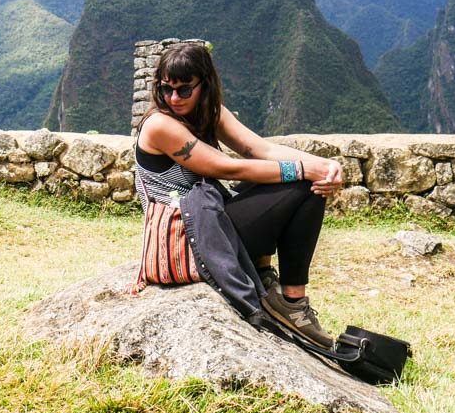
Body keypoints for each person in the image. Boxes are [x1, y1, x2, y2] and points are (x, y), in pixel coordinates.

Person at [135, 40, 343, 347]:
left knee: (294, 180)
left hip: (207, 220)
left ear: (204, 86)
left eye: (184, 89)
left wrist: (324, 166)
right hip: (190, 236)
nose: (174, 98)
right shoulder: (160, 125)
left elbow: (257, 148)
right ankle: (292, 303)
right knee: (301, 187)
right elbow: (226, 168)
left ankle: (267, 277)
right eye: (166, 89)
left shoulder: (209, 113)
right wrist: (303, 171)